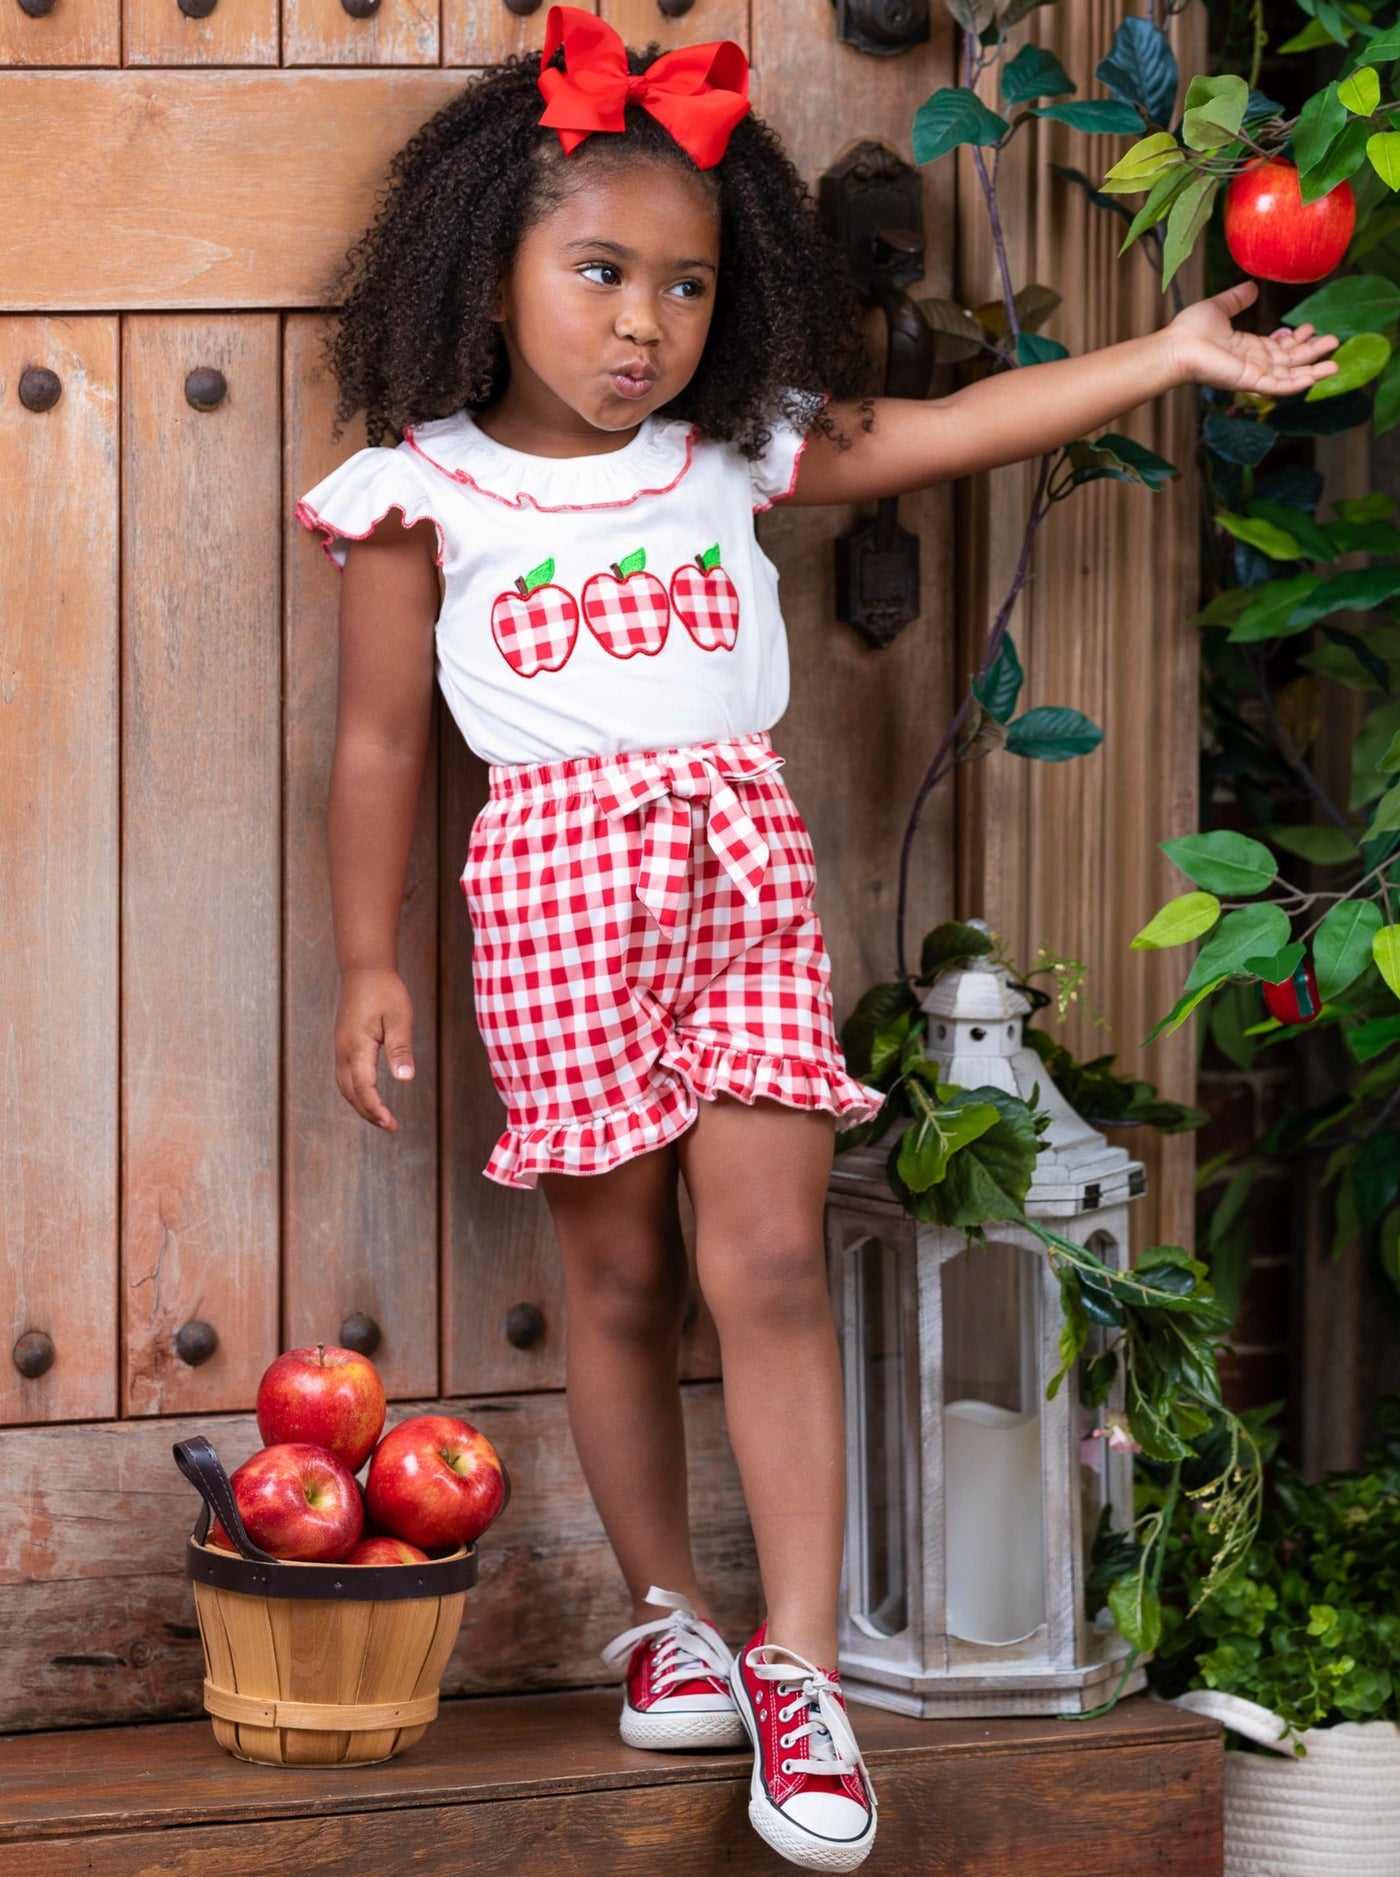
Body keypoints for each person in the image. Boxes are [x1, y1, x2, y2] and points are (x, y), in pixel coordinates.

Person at [294, 10, 1339, 1867]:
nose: (644, 326)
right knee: (619, 1283)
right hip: (547, 897)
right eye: (600, 273)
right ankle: (669, 1612)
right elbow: (381, 743)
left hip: (742, 874)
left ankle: (799, 1666)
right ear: (494, 266)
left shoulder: (728, 455)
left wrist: (1168, 350)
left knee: (767, 1260)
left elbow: (940, 430)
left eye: (686, 288)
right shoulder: (423, 490)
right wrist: (368, 959)